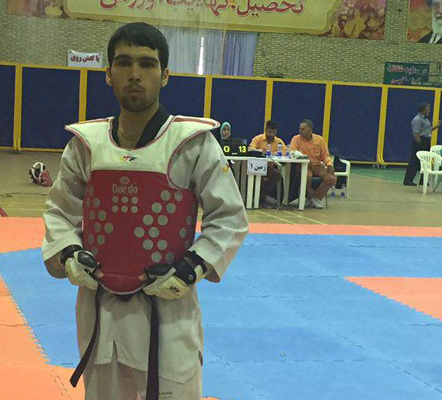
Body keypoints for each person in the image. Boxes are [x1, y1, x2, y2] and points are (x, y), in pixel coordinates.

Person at [42, 23, 247, 400]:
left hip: (168, 306)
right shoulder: (86, 145)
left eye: (147, 64)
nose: (135, 74)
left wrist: (191, 268)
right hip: (101, 303)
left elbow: (229, 217)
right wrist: (69, 253)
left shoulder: (192, 143)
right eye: (124, 63)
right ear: (108, 73)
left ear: (165, 75)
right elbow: (59, 212)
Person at [290, 119, 336, 209]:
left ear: (310, 130)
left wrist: (329, 165)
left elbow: (325, 155)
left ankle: (315, 198)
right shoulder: (296, 139)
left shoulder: (320, 140)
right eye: (300, 129)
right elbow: (293, 152)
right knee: (307, 176)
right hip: (303, 165)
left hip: (317, 165)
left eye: (303, 129)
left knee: (331, 178)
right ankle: (309, 193)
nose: (300, 131)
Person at [249, 120, 287, 205]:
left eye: (274, 132)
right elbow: (250, 149)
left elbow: (285, 152)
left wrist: (275, 153)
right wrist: (260, 151)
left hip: (271, 168)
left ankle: (262, 196)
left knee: (277, 174)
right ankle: (261, 196)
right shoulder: (258, 139)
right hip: (257, 167)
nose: (271, 135)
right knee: (259, 176)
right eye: (270, 132)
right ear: (266, 130)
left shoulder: (278, 141)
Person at [403, 103, 441, 186]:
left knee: (425, 161)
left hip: (426, 141)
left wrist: (436, 126)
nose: (429, 110)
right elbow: (416, 134)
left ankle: (422, 181)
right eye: (428, 108)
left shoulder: (425, 119)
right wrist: (420, 143)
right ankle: (408, 180)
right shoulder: (417, 120)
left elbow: (427, 130)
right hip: (420, 141)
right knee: (414, 161)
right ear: (423, 109)